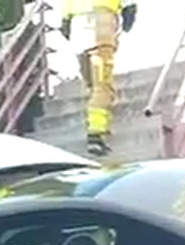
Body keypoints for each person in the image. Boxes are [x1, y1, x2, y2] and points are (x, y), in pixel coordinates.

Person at [58, 0, 138, 156]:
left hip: (77, 26)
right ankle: (96, 133)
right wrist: (129, 14)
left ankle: (98, 117)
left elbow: (65, 10)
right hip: (102, 22)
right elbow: (129, 7)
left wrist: (65, 22)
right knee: (102, 86)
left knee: (91, 83)